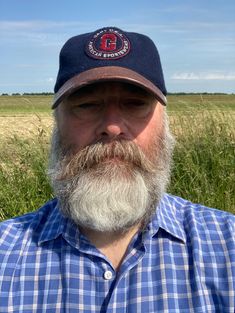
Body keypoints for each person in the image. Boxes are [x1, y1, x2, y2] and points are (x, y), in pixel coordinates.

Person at [0, 26, 234, 313]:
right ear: (57, 126)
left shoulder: (227, 246)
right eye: (87, 105)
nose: (112, 127)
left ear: (165, 125)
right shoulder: (6, 255)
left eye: (135, 104)